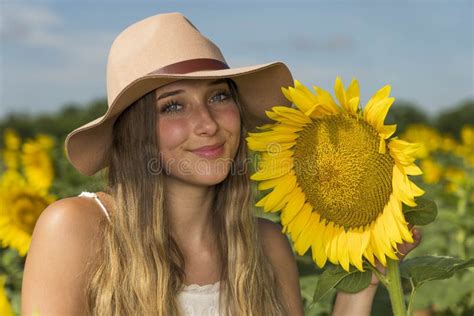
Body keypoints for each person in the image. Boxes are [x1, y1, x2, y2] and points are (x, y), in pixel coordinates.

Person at [21, 12, 420, 316]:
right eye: (173, 106)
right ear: (133, 134)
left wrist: (366, 276)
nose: (207, 125)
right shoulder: (76, 230)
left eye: (218, 97)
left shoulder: (266, 245)